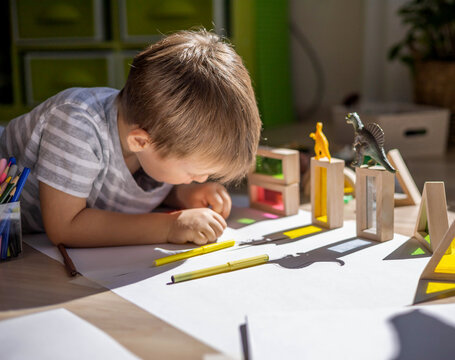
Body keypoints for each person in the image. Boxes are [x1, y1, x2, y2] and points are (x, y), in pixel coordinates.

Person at [0, 29, 261, 247]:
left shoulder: (147, 134)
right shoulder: (76, 125)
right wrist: (170, 227)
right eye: (194, 172)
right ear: (140, 142)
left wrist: (183, 193)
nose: (203, 178)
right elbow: (66, 226)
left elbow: (120, 186)